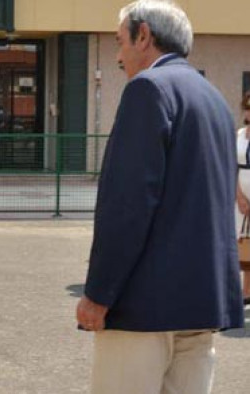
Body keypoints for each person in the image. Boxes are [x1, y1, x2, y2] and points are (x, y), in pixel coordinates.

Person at [76, 1, 244, 393]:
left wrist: (98, 294)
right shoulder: (214, 99)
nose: (118, 56)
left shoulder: (148, 89)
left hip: (144, 306)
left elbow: (129, 203)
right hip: (202, 301)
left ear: (144, 35)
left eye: (120, 42)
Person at [235, 91, 250, 303]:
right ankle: (246, 292)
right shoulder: (238, 135)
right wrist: (239, 196)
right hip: (240, 193)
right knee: (243, 242)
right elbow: (232, 166)